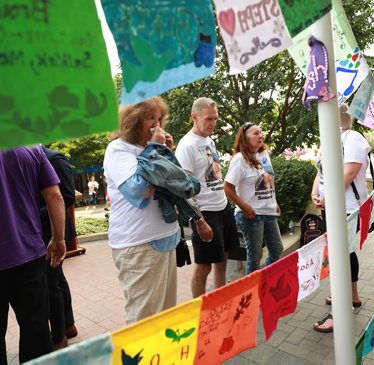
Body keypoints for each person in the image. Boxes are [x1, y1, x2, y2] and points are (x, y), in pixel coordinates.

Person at [103, 96, 212, 325]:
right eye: (149, 117)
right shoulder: (118, 149)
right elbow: (138, 190)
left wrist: (163, 153)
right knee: (143, 320)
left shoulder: (150, 149)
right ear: (133, 121)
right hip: (139, 245)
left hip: (165, 240)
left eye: (158, 117)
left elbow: (178, 186)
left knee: (164, 316)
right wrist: (156, 149)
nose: (157, 124)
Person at [0, 146, 66, 364]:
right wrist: (59, 239)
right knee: (36, 327)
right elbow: (55, 195)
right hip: (29, 254)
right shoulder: (31, 147)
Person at [311, 104, 370, 333]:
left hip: (345, 207)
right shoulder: (330, 139)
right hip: (331, 205)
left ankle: (338, 313)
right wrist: (315, 193)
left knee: (339, 256)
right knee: (345, 252)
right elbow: (321, 171)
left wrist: (330, 199)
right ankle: (352, 297)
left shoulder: (353, 138)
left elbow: (350, 172)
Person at [176, 97, 239, 298]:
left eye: (215, 119)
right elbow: (186, 190)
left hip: (222, 208)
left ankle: (220, 303)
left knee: (222, 261)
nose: (213, 123)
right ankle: (199, 311)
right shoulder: (186, 145)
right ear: (195, 117)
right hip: (205, 213)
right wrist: (200, 220)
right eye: (208, 119)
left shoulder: (209, 141)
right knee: (203, 266)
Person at [224, 122, 284, 274]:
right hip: (251, 215)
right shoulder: (239, 159)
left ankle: (267, 283)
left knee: (277, 249)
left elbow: (270, 179)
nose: (260, 136)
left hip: (269, 211)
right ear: (245, 138)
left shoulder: (263, 154)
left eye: (261, 132)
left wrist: (274, 201)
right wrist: (245, 207)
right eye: (255, 133)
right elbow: (228, 188)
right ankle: (252, 293)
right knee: (255, 256)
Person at [40, 146, 78, 350]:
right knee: (57, 279)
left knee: (52, 283)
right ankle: (68, 324)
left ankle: (60, 335)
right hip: (44, 231)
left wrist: (32, 215)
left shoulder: (54, 158)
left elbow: (67, 196)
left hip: (54, 230)